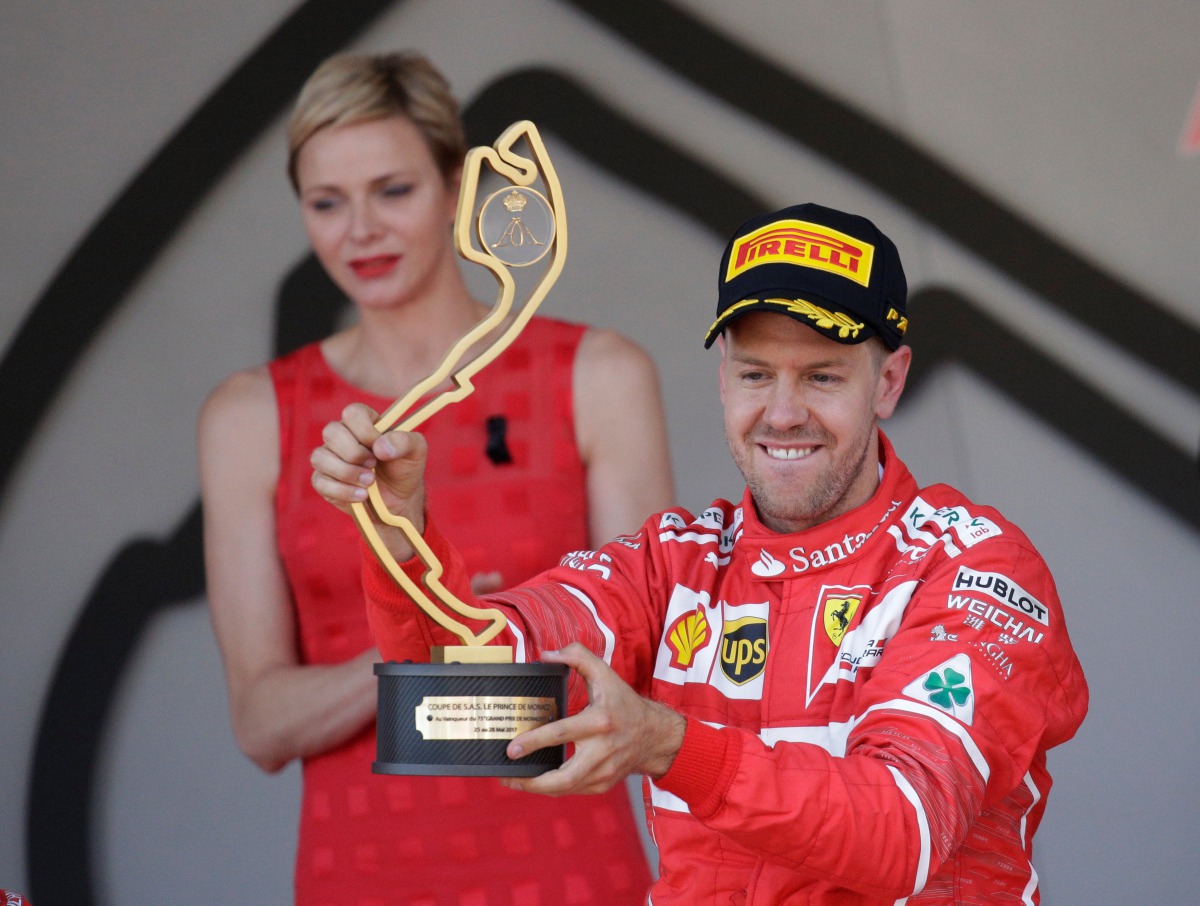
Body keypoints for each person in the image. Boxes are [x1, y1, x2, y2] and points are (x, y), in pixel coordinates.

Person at [312, 202, 1089, 904]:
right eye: (755, 374)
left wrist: (670, 744)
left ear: (888, 382)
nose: (782, 414)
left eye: (821, 376)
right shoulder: (670, 561)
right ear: (722, 380)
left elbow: (900, 832)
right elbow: (452, 714)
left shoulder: (974, 566)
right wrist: (396, 535)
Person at [198, 51, 673, 904]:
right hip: (361, 876)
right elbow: (259, 723)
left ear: (458, 186)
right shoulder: (250, 416)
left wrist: (476, 637)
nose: (360, 231)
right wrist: (435, 640)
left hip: (574, 871)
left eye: (393, 190)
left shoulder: (597, 375)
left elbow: (649, 666)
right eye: (326, 203)